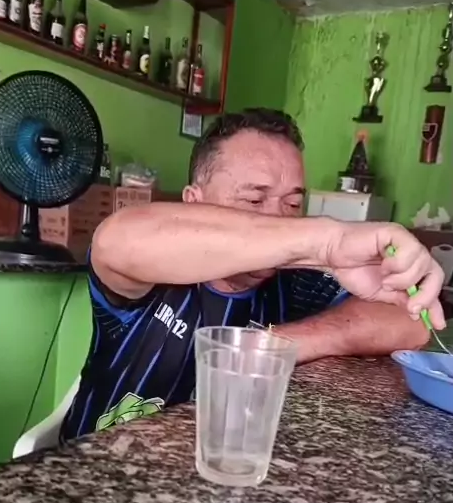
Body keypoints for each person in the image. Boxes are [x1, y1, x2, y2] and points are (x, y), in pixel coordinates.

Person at [61, 108, 444, 440]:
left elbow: (413, 321)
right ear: (193, 202)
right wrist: (329, 240)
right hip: (95, 473)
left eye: (292, 204)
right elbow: (115, 240)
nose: (279, 219)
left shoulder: (295, 280)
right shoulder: (155, 270)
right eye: (254, 199)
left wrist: (279, 343)